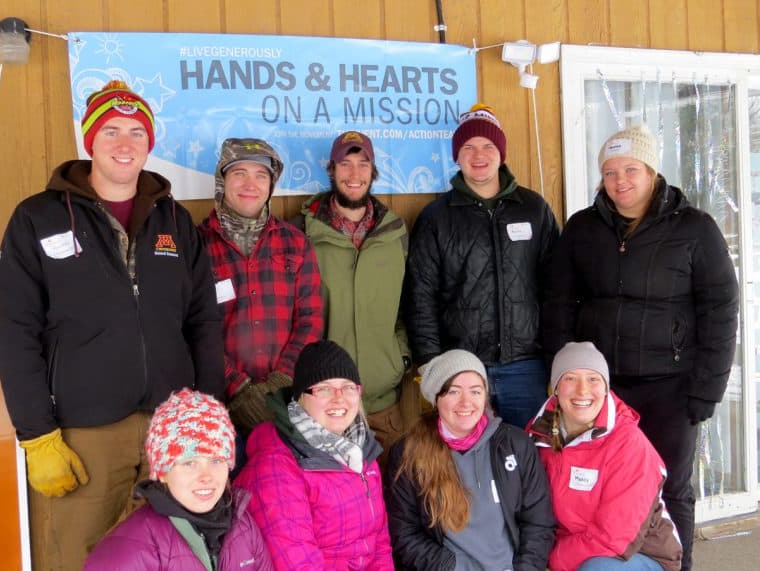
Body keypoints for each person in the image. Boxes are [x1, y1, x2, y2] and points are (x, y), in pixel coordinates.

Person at [0, 80, 224, 570]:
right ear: (89, 140)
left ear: (150, 143)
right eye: (112, 131)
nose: (125, 144)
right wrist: (38, 433)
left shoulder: (175, 221)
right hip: (85, 430)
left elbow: (203, 320)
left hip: (171, 426)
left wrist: (208, 415)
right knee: (80, 557)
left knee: (172, 553)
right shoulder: (38, 219)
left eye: (137, 132)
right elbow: (15, 331)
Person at [541, 124, 739, 571]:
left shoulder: (695, 229)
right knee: (595, 490)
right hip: (600, 391)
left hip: (672, 387)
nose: (620, 181)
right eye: (609, 172)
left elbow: (721, 310)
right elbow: (557, 303)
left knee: (670, 488)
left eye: (631, 169)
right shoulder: (582, 229)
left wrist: (706, 390)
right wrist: (561, 379)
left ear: (652, 171)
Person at [404, 103, 559, 429]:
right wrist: (432, 364)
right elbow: (421, 295)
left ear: (501, 154)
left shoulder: (533, 209)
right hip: (461, 366)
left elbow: (558, 287)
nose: (479, 155)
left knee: (528, 459)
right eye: (468, 147)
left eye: (488, 146)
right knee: (466, 463)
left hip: (526, 367)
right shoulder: (437, 217)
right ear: (456, 156)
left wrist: (556, 355)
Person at [295, 130, 411, 455]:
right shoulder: (303, 233)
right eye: (345, 164)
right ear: (331, 170)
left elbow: (406, 306)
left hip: (384, 403)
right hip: (326, 406)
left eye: (363, 164)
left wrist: (399, 359)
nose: (355, 174)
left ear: (373, 172)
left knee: (393, 496)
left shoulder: (395, 233)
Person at [386, 349, 555, 571]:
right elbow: (405, 534)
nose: (466, 402)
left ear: (485, 396)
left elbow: (539, 523)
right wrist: (452, 566)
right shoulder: (410, 452)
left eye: (475, 391)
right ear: (436, 398)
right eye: (454, 392)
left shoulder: (515, 444)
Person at [199, 137, 323, 437]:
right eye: (239, 172)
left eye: (260, 175)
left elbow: (311, 319)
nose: (250, 184)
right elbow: (192, 326)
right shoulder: (197, 245)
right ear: (222, 180)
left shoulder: (295, 242)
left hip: (286, 403)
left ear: (271, 184)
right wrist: (237, 386)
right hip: (220, 407)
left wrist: (280, 382)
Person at [234, 340, 393, 570]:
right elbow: (297, 563)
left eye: (348, 387)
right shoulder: (275, 466)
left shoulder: (362, 452)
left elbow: (380, 544)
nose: (339, 399)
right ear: (300, 397)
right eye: (324, 389)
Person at [526, 342, 682, 571]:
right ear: (555, 387)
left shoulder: (629, 445)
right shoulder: (537, 434)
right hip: (566, 550)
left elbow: (614, 538)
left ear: (606, 387)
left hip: (639, 554)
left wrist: (549, 561)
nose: (582, 390)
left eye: (593, 379)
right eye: (570, 378)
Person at [85, 388, 272, 570]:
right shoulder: (129, 551)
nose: (206, 476)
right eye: (189, 463)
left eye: (216, 460)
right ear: (162, 472)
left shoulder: (244, 526)